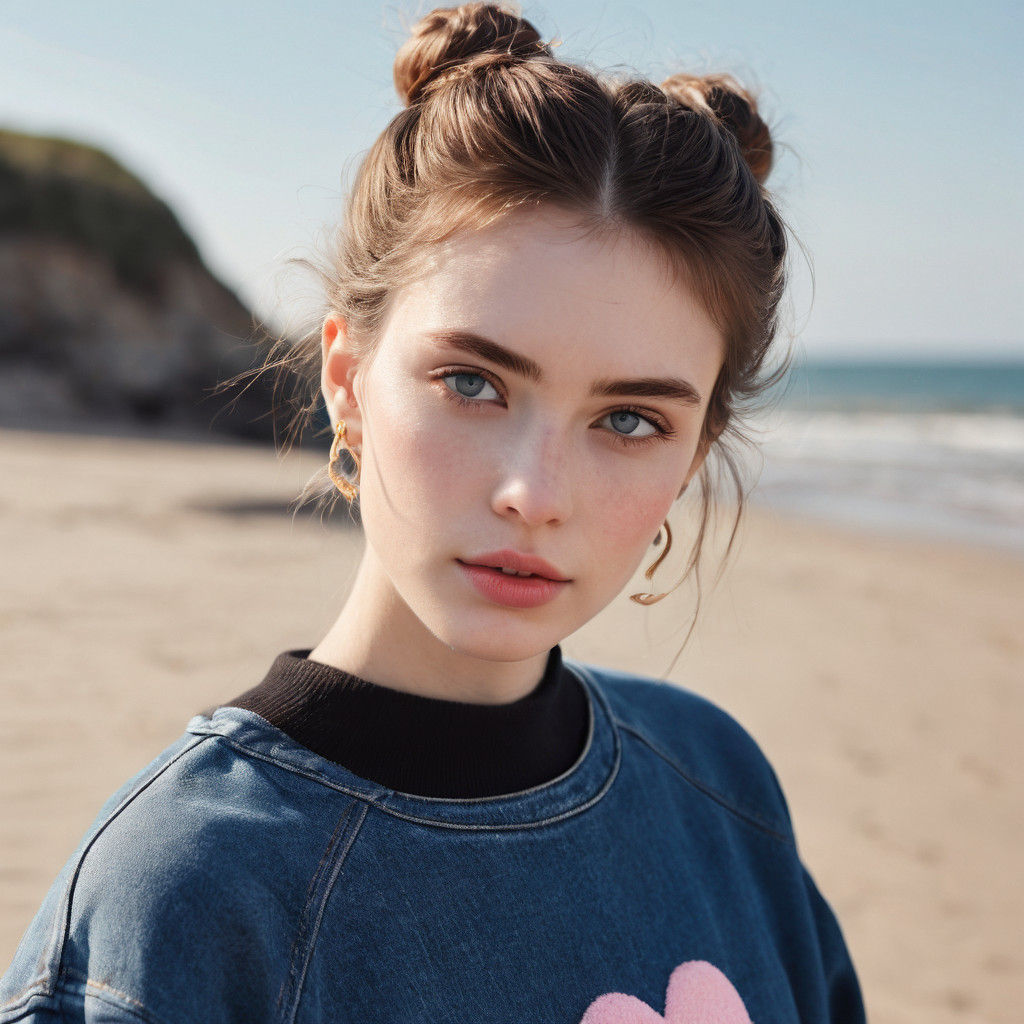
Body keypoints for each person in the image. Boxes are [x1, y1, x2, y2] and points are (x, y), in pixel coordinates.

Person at [0, 4, 867, 1022]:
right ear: (347, 378)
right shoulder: (186, 896)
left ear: (693, 455)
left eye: (628, 418)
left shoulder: (718, 786)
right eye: (472, 383)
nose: (534, 495)